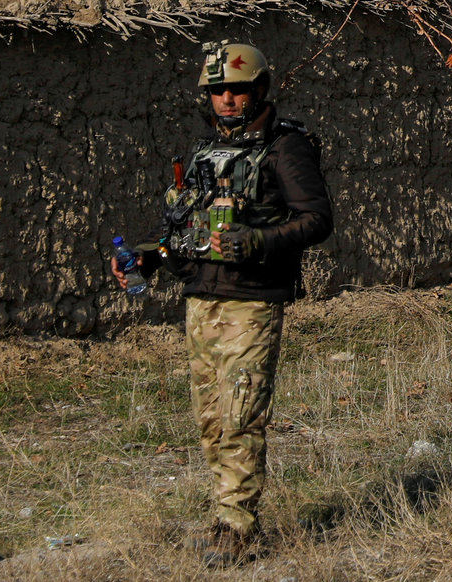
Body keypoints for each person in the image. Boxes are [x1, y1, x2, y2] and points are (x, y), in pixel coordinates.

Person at [111, 41, 333, 566]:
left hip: (250, 301)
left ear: (260, 89)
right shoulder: (205, 151)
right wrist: (147, 258)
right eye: (217, 91)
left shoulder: (285, 147)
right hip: (201, 298)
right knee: (211, 417)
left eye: (237, 89)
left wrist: (257, 241)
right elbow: (183, 228)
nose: (227, 100)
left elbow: (317, 219)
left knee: (240, 414)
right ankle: (222, 517)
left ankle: (238, 527)